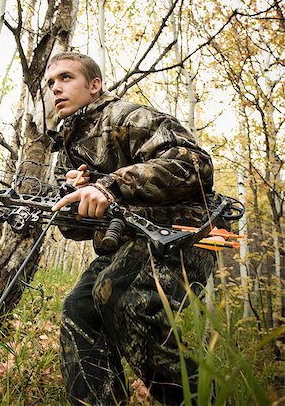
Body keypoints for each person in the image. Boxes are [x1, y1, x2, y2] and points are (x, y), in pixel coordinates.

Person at [45, 52, 223, 405]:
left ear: (94, 85)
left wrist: (108, 184)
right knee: (80, 309)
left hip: (188, 232)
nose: (56, 89)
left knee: (122, 299)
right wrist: (73, 198)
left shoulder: (128, 116)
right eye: (51, 83)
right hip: (135, 241)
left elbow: (194, 164)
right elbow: (75, 230)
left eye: (66, 78)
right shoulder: (69, 146)